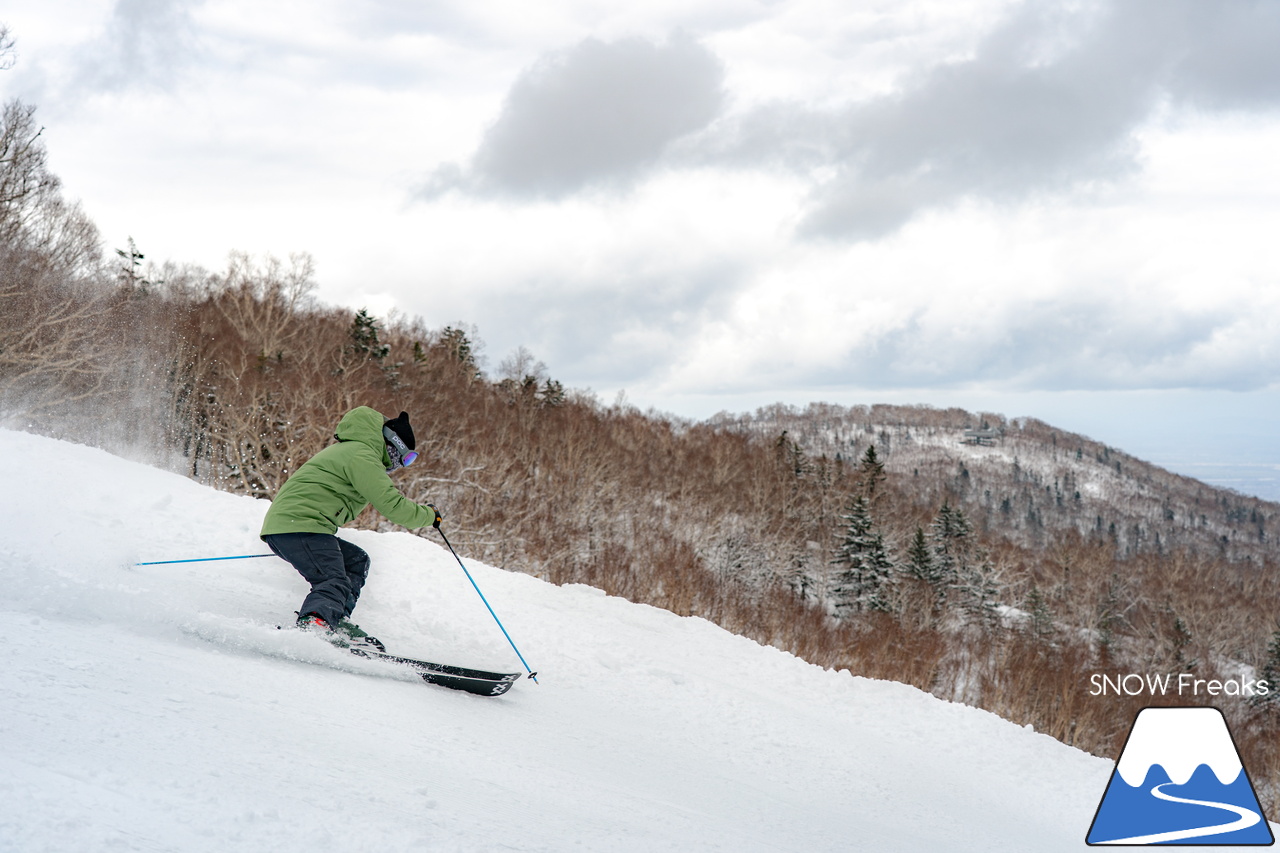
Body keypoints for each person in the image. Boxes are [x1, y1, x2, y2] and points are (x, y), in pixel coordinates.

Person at [260, 406, 441, 649]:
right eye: (405, 457)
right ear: (391, 445)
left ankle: (336, 619)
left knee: (355, 561)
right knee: (333, 578)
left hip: (295, 525)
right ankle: (316, 623)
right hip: (300, 525)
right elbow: (393, 505)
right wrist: (430, 515)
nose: (401, 465)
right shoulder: (362, 455)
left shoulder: (353, 451)